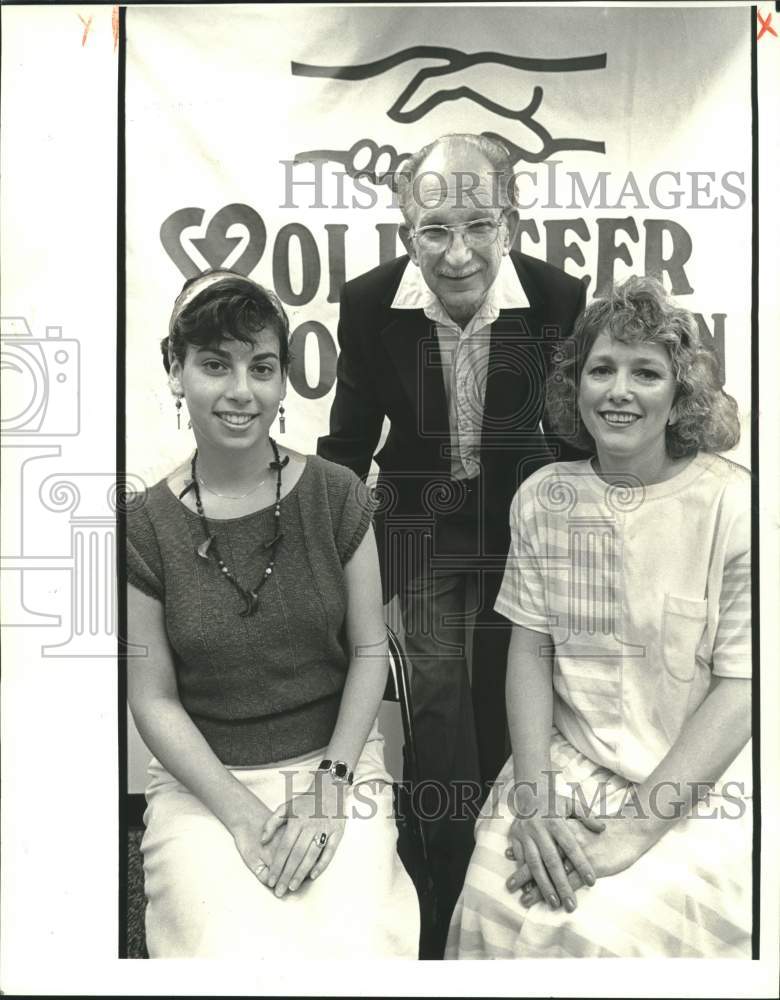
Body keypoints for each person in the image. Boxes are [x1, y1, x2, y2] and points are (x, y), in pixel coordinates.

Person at [317, 133, 585, 946]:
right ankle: (437, 893)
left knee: (510, 703)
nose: (458, 253)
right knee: (435, 714)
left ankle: (498, 886)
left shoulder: (555, 295)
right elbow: (350, 436)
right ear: (407, 232)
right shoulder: (368, 304)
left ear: (509, 220)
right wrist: (316, 541)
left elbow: (571, 431)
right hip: (422, 526)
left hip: (519, 520)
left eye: (478, 226)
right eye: (435, 230)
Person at [446, 276, 752, 958]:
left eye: (646, 372)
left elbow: (743, 689)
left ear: (681, 393)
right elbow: (530, 653)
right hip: (564, 764)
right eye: (601, 369)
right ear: (573, 387)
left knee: (605, 928)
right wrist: (533, 796)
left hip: (697, 783)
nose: (619, 391)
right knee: (495, 900)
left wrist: (630, 835)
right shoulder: (542, 498)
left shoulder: (737, 507)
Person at [126, 269, 419, 958]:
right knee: (229, 944)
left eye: (261, 367)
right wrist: (239, 815)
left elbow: (369, 653)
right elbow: (153, 698)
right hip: (206, 782)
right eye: (213, 365)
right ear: (174, 370)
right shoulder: (144, 526)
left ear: (284, 379)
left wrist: (330, 789)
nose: (240, 391)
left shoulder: (338, 495)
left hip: (335, 764)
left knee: (353, 941)